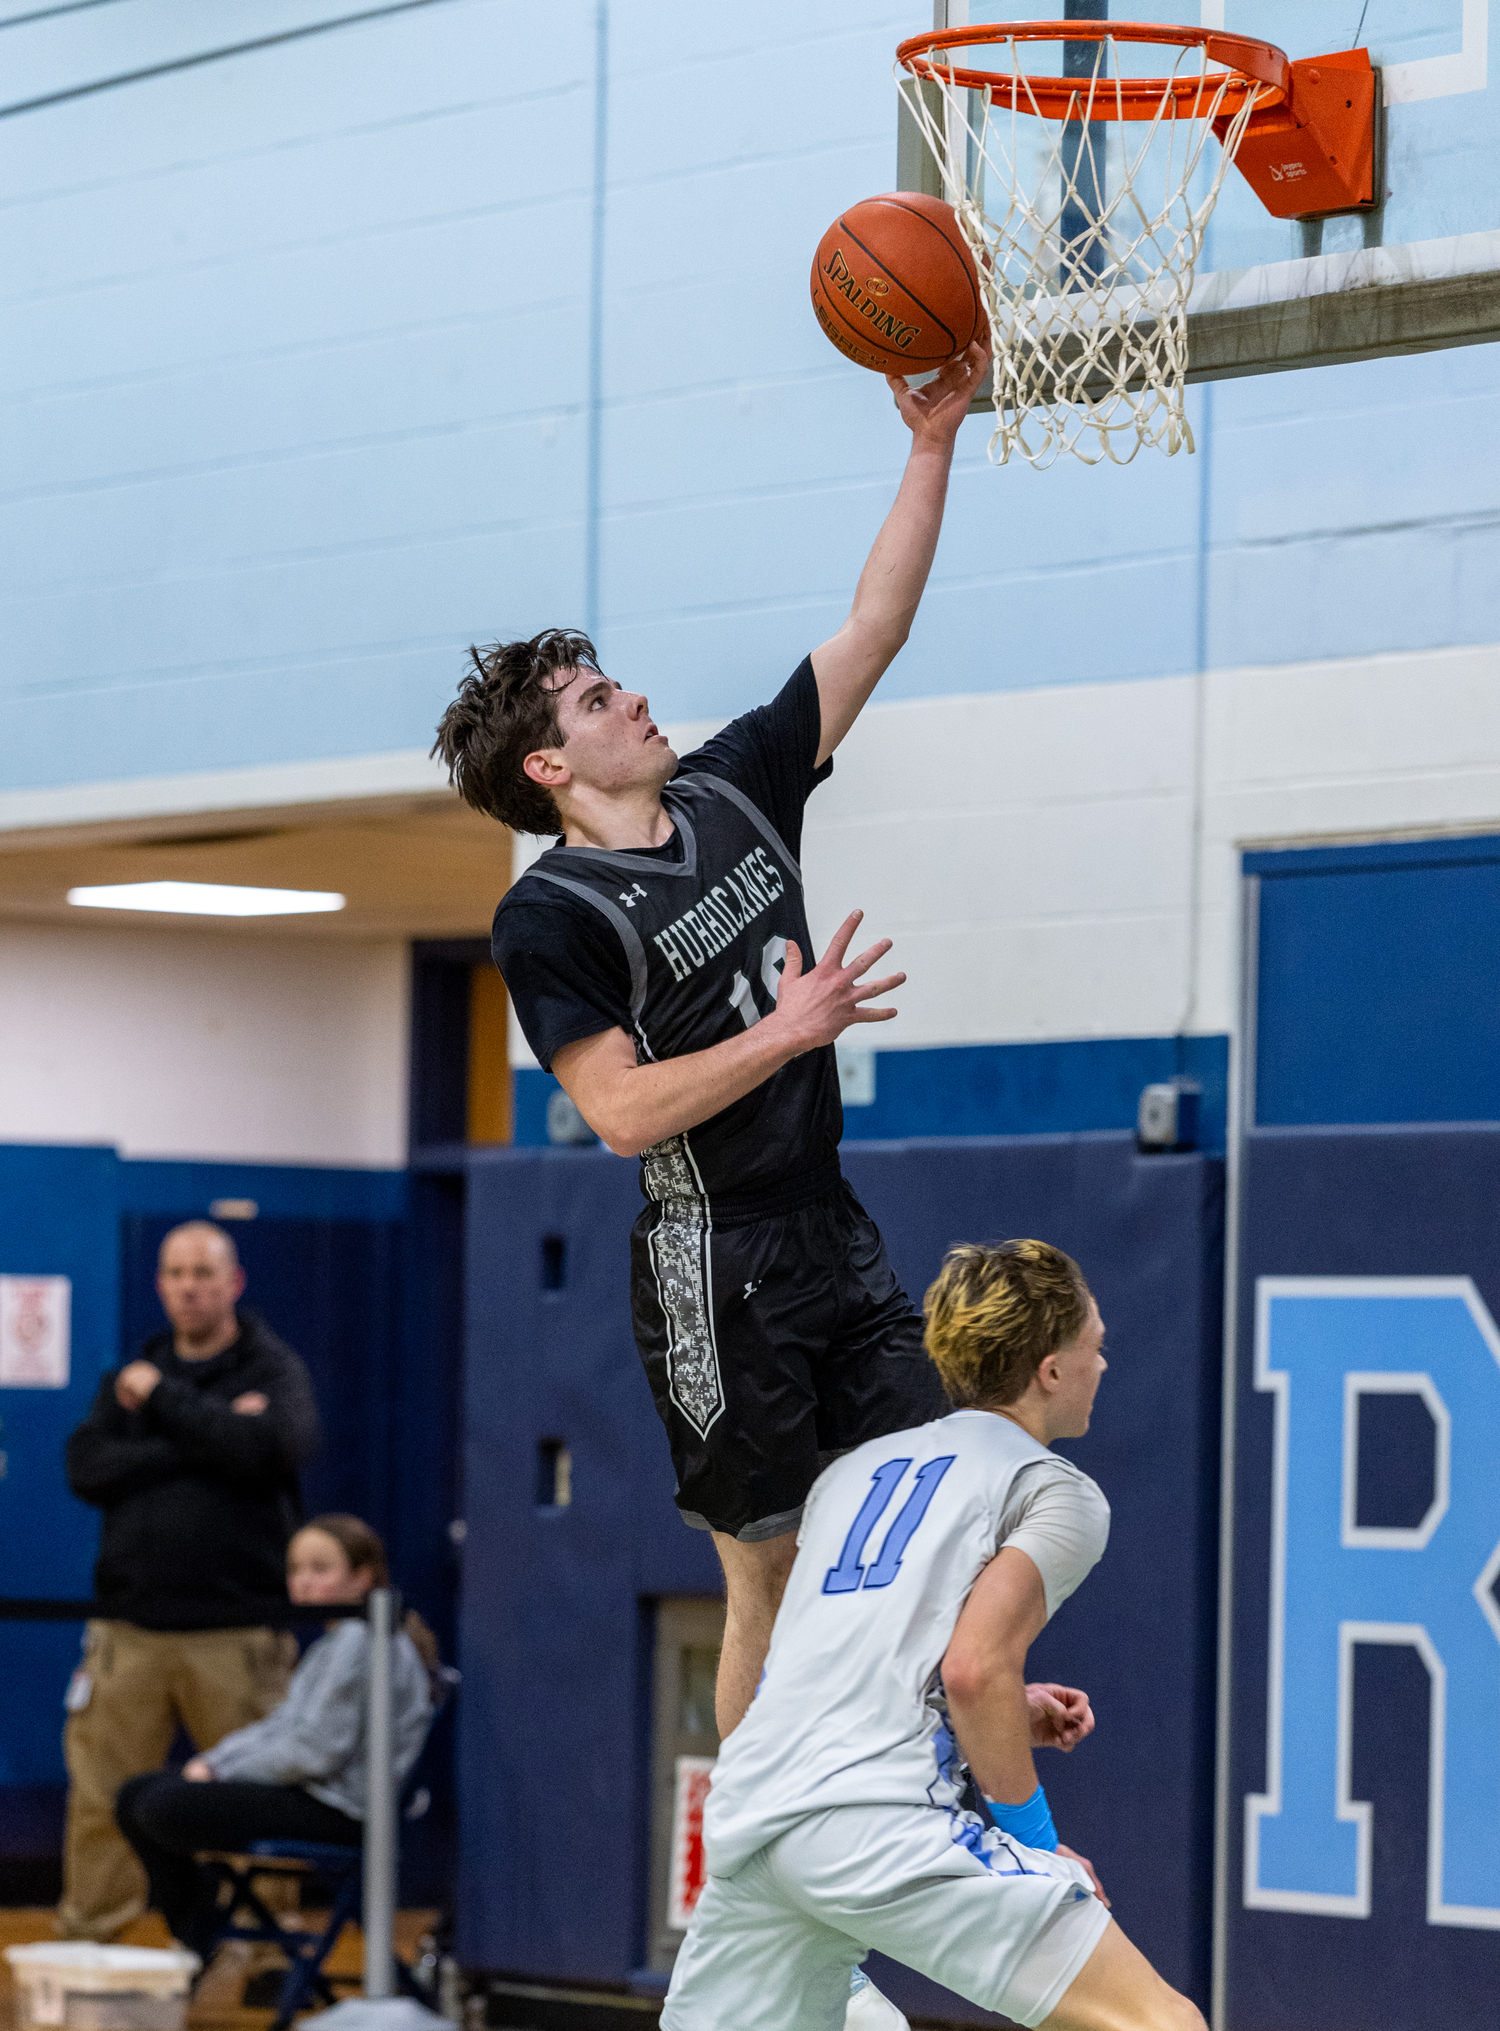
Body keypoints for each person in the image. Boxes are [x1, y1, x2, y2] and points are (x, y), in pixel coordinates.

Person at [433, 340, 992, 1758]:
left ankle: (929, 1744)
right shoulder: (548, 913)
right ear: (550, 769)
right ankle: (752, 1855)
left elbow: (871, 629)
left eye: (616, 681)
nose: (629, 698)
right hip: (713, 1252)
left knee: (941, 1487)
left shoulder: (733, 785)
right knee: (771, 1563)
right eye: (594, 700)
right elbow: (618, 1111)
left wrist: (931, 444)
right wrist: (794, 1027)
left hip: (828, 1219)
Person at [663, 1238, 1206, 2031]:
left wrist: (1004, 1711)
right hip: (878, 1825)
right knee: (1164, 2023)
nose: (1104, 1366)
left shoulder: (854, 1472)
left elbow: (850, 1668)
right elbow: (974, 1669)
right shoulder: (1057, 1491)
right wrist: (1036, 1843)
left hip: (757, 1819)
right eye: (1095, 1347)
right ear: (1049, 1369)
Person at [60, 1221, 321, 1939]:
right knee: (101, 1798)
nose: (188, 1286)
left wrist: (166, 1413)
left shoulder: (272, 1371)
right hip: (129, 1630)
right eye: (175, 1273)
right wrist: (202, 1438)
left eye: (203, 1273)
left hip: (236, 1632)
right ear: (160, 1284)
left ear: (233, 1282)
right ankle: (91, 1943)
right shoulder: (130, 1374)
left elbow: (270, 1447)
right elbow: (86, 1467)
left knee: (258, 1792)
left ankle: (271, 1955)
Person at [115, 1515, 434, 1964]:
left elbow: (317, 1751)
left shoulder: (362, 1641)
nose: (303, 1582)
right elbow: (281, 1727)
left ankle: (202, 1934)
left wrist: (220, 1771)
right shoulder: (335, 1640)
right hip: (310, 1793)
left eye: (320, 1570)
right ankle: (201, 1931)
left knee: (158, 1806)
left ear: (363, 1576)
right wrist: (214, 1761)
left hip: (340, 1809)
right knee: (135, 1794)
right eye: (295, 1570)